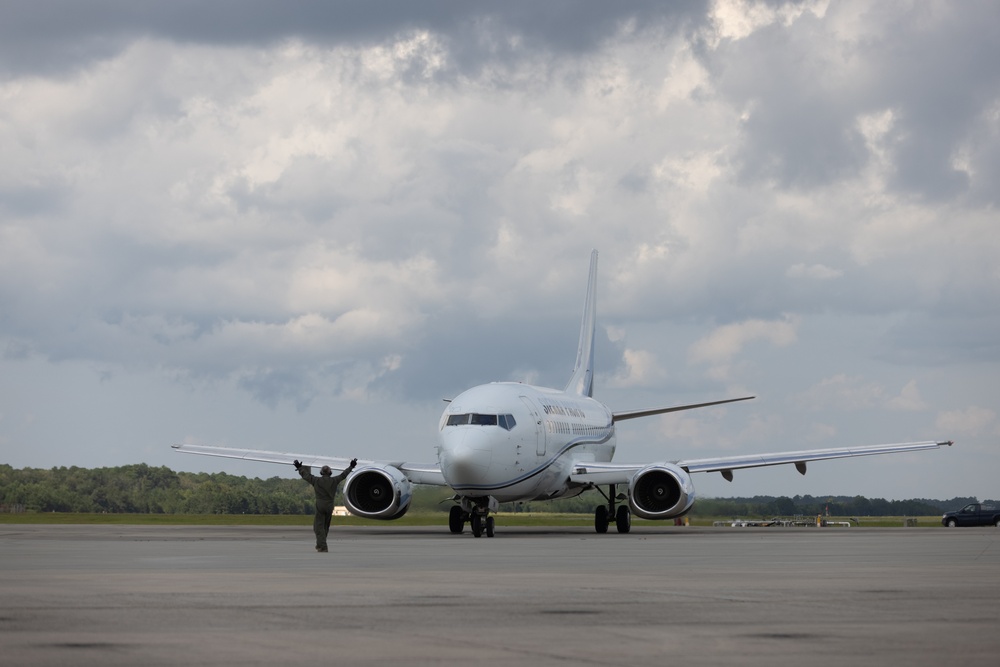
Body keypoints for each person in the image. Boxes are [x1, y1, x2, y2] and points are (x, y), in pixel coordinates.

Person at [294, 458, 357, 552]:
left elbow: (306, 476)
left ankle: (322, 546)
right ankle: (320, 544)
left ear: (321, 473)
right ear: (330, 473)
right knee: (325, 526)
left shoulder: (316, 480)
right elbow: (344, 475)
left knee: (318, 527)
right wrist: (351, 466)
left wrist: (299, 468)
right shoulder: (334, 480)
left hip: (320, 504)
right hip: (330, 505)